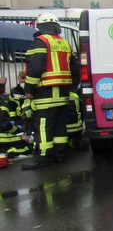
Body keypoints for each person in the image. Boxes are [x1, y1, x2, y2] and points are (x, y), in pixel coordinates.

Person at [21, 13, 78, 169]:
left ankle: (43, 157)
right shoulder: (65, 43)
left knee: (43, 125)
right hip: (63, 92)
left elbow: (36, 68)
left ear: (40, 27)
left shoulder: (40, 42)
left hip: (45, 92)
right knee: (60, 123)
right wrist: (73, 87)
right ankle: (60, 153)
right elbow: (74, 68)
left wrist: (28, 89)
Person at [0, 77, 32, 157]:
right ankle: (10, 151)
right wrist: (18, 131)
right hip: (3, 139)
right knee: (28, 147)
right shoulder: (2, 106)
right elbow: (5, 125)